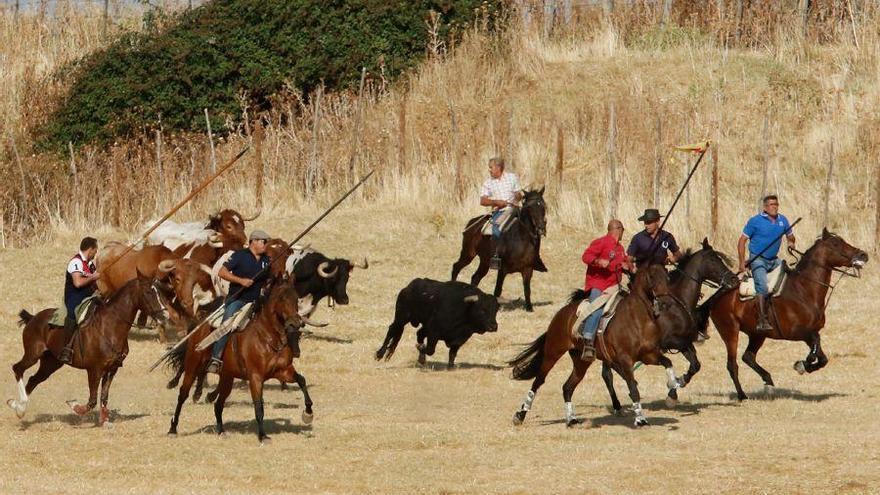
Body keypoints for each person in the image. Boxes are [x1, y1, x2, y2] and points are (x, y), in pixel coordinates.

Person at [207, 230, 272, 374]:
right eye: (263, 241)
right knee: (226, 325)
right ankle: (215, 358)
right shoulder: (239, 256)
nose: (265, 245)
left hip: (256, 300)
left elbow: (268, 280)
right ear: (254, 241)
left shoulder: (266, 260)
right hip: (238, 300)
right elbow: (222, 272)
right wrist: (241, 281)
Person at [738, 194, 796, 333]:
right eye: (771, 205)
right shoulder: (755, 221)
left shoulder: (783, 220)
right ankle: (761, 319)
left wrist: (791, 242)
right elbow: (741, 241)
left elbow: (790, 236)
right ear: (765, 207)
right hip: (758, 259)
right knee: (762, 286)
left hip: (774, 260)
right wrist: (741, 262)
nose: (774, 207)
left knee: (791, 278)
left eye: (776, 204)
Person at [578, 220, 628, 360]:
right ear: (617, 229)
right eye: (622, 229)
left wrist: (628, 266)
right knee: (598, 308)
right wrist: (598, 261)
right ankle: (588, 340)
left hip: (615, 286)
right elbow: (586, 256)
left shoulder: (620, 248)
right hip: (599, 284)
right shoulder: (601, 242)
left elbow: (621, 264)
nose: (623, 232)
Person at [60, 237, 100, 364]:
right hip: (74, 295)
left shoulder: (90, 264)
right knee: (74, 312)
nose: (96, 253)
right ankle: (66, 347)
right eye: (95, 250)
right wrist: (93, 277)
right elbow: (77, 283)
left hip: (89, 294)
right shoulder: (76, 262)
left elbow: (96, 280)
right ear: (90, 249)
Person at [479, 156, 522, 269]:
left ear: (499, 167)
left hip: (513, 209)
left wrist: (517, 197)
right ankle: (496, 256)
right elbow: (482, 201)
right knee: (496, 227)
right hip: (500, 211)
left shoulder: (512, 178)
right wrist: (496, 202)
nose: (489, 170)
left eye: (491, 167)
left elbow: (519, 195)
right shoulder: (488, 183)